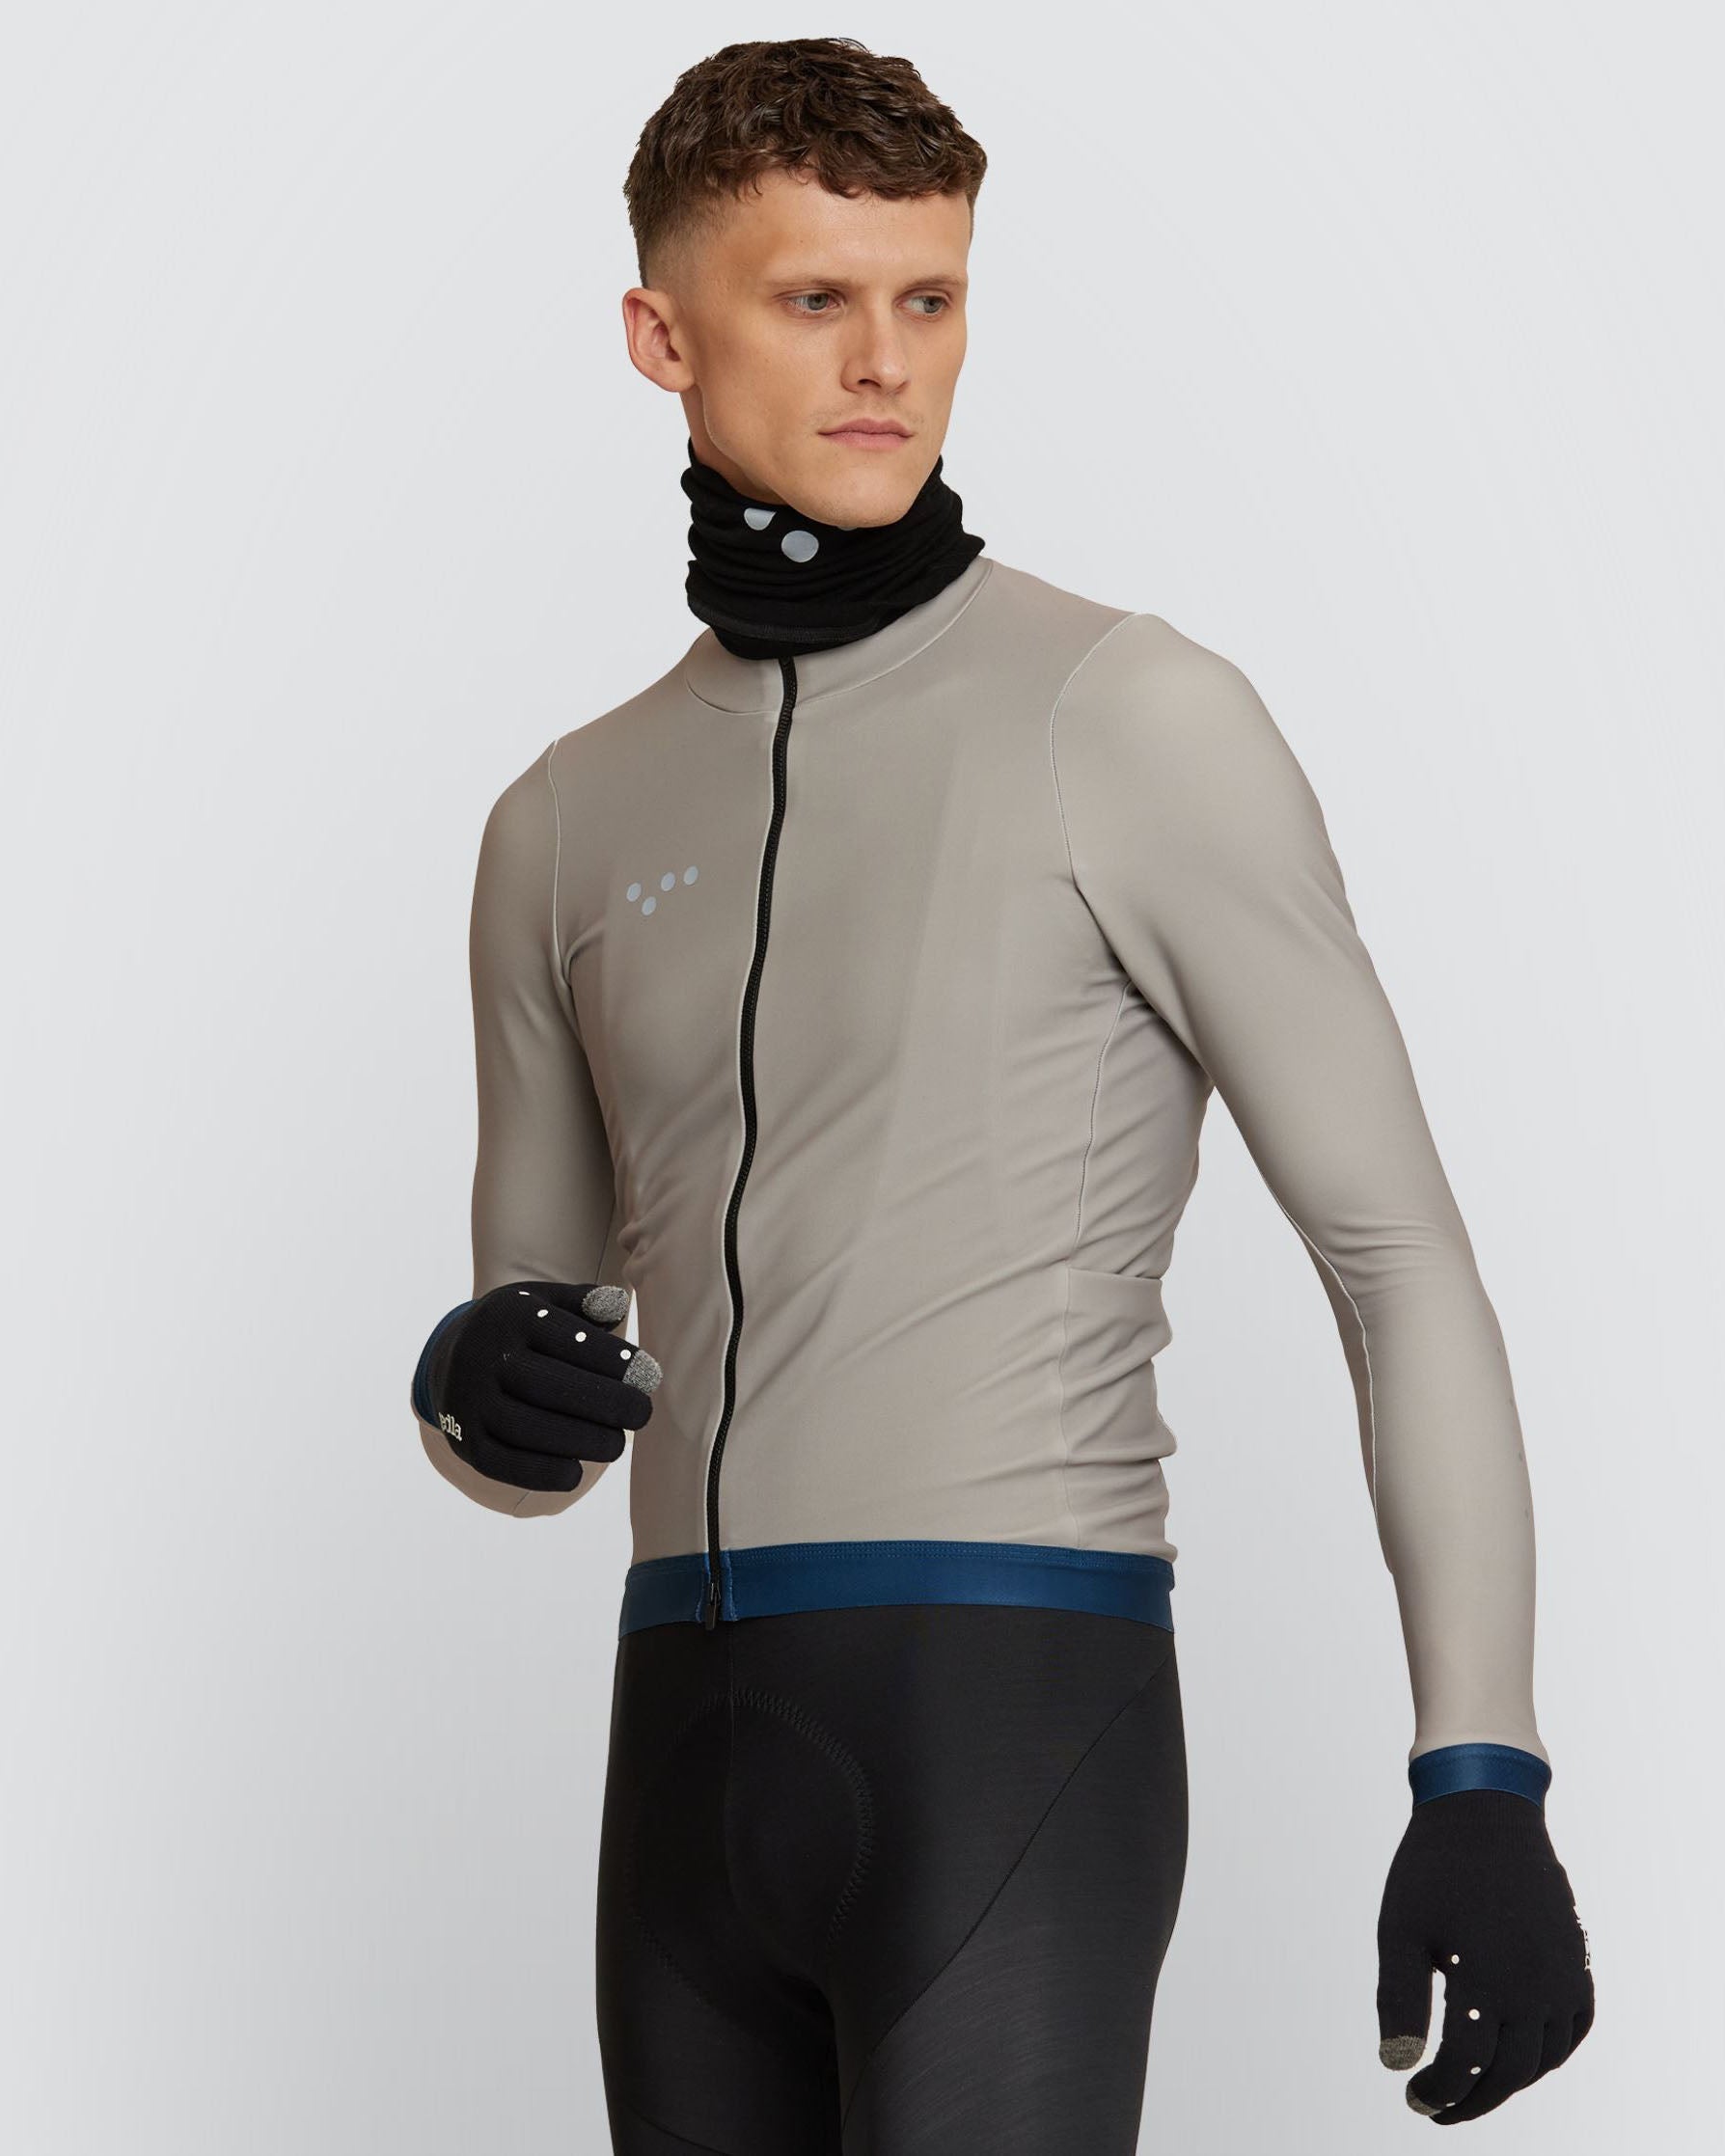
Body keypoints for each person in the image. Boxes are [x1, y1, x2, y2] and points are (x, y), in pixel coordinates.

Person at [409, 36, 1594, 2151]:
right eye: (815, 299)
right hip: (681, 1742)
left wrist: (1480, 1775)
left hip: (1006, 1719)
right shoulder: (563, 822)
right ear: (661, 335)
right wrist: (466, 1385)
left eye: (931, 296)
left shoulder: (1127, 717)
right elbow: (538, 1419)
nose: (888, 363)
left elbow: (1397, 1258)